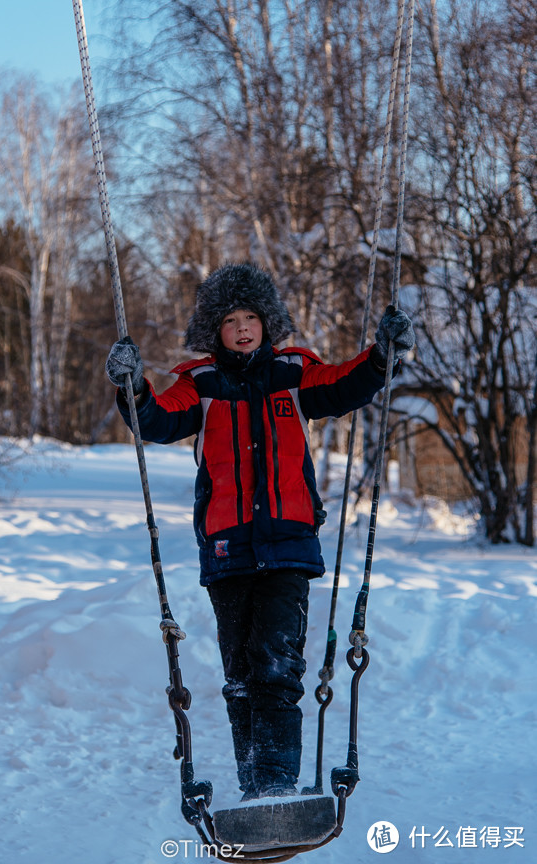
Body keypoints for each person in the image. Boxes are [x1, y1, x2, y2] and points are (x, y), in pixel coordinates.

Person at [105, 262, 414, 801]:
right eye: (230, 320)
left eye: (252, 316)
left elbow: (344, 384)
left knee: (275, 668)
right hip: (226, 550)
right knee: (241, 677)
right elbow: (158, 417)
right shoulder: (198, 383)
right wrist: (133, 385)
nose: (243, 327)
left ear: (268, 321)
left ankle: (275, 786)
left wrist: (382, 356)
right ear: (214, 331)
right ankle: (255, 790)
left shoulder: (294, 373)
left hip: (289, 545)